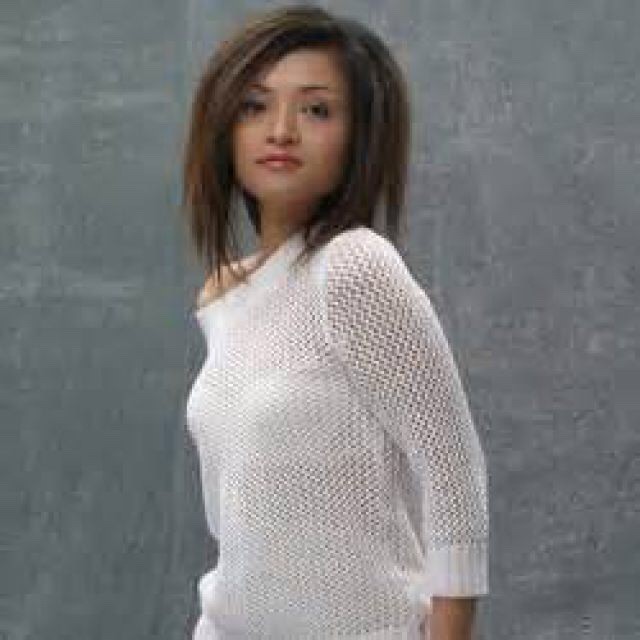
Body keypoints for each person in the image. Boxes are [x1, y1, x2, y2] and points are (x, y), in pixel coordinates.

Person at [181, 5, 489, 639]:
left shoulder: (353, 268)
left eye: (316, 110)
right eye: (254, 106)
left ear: (358, 137)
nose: (281, 131)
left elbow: (453, 474)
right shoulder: (222, 297)